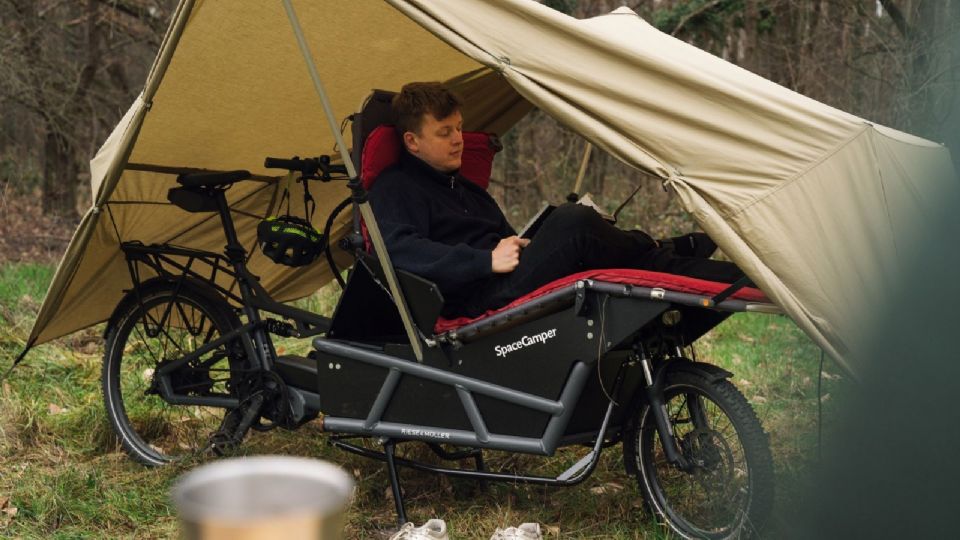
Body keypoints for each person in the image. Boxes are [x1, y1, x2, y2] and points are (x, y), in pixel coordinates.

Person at [368, 82, 743, 319]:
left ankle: (745, 278)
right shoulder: (396, 187)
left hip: (507, 277)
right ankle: (660, 245)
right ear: (412, 141)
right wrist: (483, 260)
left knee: (627, 255)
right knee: (572, 222)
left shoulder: (466, 190)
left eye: (460, 128)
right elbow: (396, 251)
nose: (458, 139)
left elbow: (509, 240)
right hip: (474, 296)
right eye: (444, 132)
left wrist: (522, 241)